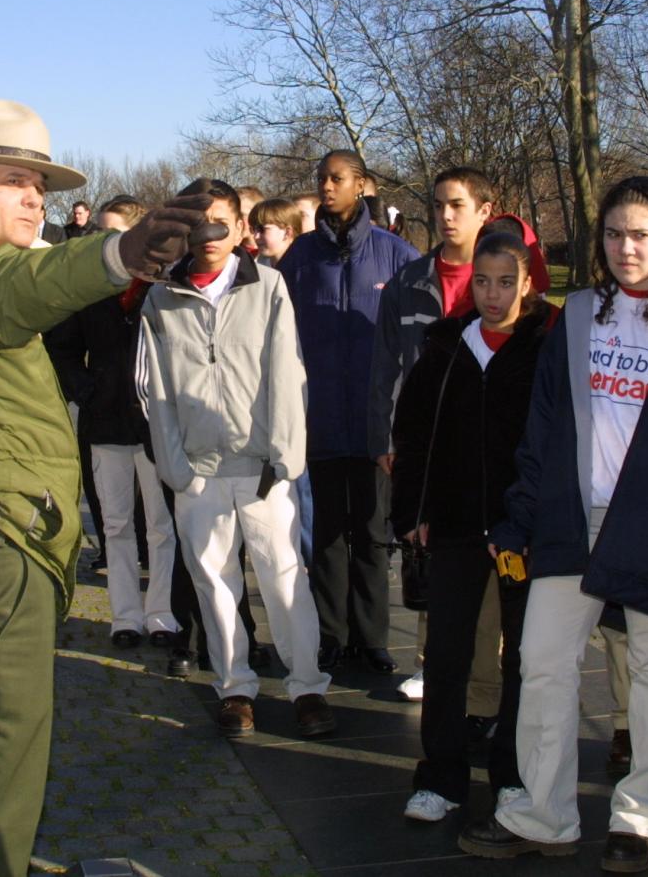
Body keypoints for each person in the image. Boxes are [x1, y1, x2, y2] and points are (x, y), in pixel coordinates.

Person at [0, 98, 211, 877]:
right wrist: (115, 256)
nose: (34, 199)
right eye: (15, 180)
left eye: (42, 188)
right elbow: (2, 296)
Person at [458, 175, 648, 873]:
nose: (627, 248)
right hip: (573, 520)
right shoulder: (576, 315)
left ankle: (640, 818)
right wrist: (519, 517)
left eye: (642, 234)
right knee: (541, 661)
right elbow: (542, 429)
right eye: (615, 234)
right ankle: (543, 813)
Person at [138, 178, 335, 738]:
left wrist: (285, 460)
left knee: (285, 582)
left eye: (221, 219)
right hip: (197, 470)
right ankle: (235, 686)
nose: (209, 233)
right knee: (215, 586)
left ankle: (307, 686)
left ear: (241, 227)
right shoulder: (161, 299)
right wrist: (175, 468)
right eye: (198, 221)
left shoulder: (267, 287)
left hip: (263, 469)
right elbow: (157, 392)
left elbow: (287, 373)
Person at [392, 230, 554, 822]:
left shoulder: (546, 349)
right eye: (482, 281)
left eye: (506, 281)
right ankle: (441, 774)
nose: (493, 294)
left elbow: (560, 440)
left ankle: (512, 773)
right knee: (449, 652)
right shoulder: (445, 347)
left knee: (524, 658)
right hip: (455, 523)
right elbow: (413, 432)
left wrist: (538, 519)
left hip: (524, 529)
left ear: (528, 283)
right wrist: (411, 512)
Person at [279, 150, 418, 672]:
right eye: (321, 179)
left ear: (362, 184)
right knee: (328, 534)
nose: (326, 187)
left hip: (374, 421)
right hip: (317, 419)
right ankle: (331, 632)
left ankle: (373, 635)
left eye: (336, 179)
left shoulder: (396, 256)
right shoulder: (300, 258)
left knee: (373, 533)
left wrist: (399, 420)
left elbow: (412, 345)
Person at [367, 168, 494, 698]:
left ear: (486, 210)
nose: (446, 216)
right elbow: (384, 364)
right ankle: (429, 659)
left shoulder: (504, 279)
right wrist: (385, 437)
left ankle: (489, 676)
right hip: (427, 442)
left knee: (487, 566)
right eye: (439, 205)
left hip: (488, 446)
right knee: (426, 553)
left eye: (458, 205)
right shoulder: (411, 280)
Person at [47, 195, 179, 648]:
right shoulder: (88, 288)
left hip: (155, 423)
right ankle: (125, 615)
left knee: (162, 525)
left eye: (112, 232)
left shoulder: (165, 284)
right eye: (100, 232)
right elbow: (60, 346)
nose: (103, 240)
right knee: (117, 524)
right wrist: (85, 389)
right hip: (104, 421)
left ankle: (161, 612)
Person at [250, 197, 302, 267]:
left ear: (287, 232)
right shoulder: (255, 266)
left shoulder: (304, 268)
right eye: (254, 229)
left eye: (262, 229)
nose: (256, 236)